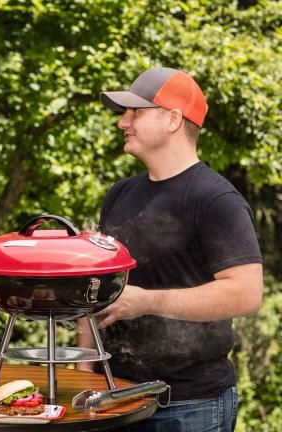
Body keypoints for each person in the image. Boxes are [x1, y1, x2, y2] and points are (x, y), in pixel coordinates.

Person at [77, 67, 263, 432]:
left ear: (173, 119)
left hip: (186, 407)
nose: (122, 123)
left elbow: (246, 294)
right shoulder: (119, 194)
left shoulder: (216, 199)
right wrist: (85, 369)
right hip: (112, 398)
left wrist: (147, 301)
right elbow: (96, 288)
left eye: (135, 113)